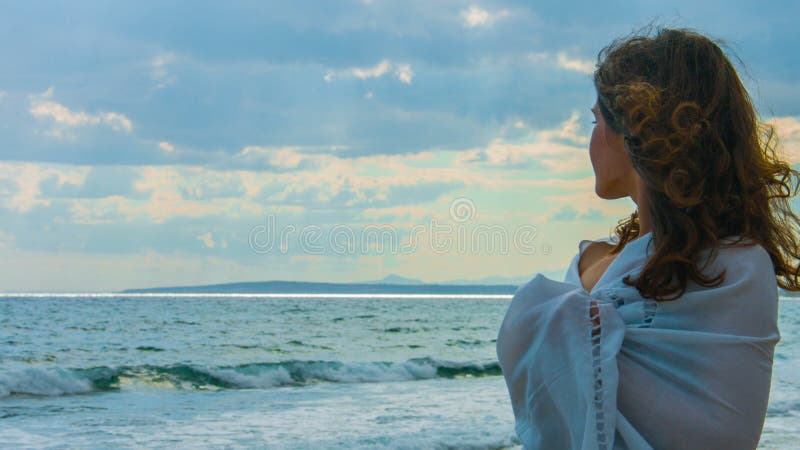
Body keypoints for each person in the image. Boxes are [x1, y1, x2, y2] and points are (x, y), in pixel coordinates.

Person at [496, 26, 800, 449]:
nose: (590, 138)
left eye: (595, 120)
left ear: (633, 129)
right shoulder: (745, 263)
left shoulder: (730, 268)